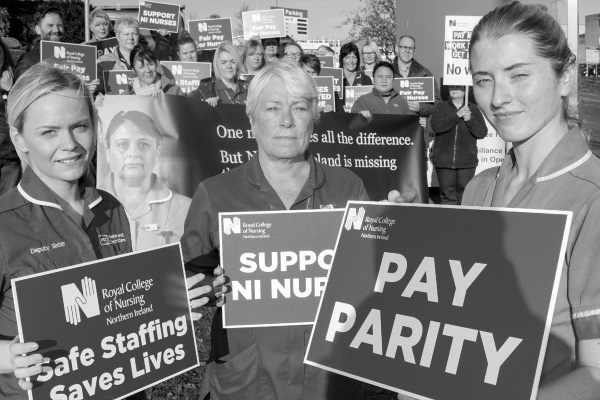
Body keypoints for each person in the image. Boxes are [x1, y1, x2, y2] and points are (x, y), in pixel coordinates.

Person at [396, 2, 600, 399]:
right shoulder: (479, 188)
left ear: (565, 78)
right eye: (484, 80)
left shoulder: (590, 198)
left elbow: (595, 373)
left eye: (519, 75)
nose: (499, 98)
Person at [0, 64, 220, 400]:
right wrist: (9, 358)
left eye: (80, 126)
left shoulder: (111, 208)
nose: (70, 144)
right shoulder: (5, 224)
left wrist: (171, 307)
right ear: (20, 139)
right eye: (48, 132)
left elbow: (120, 306)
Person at [181, 61, 368, 400]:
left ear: (315, 117)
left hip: (325, 377)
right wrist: (210, 288)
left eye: (299, 108)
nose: (286, 121)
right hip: (248, 378)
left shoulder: (348, 189)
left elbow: (370, 276)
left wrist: (399, 227)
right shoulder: (215, 193)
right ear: (251, 120)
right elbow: (190, 273)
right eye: (272, 108)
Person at [98, 110, 191, 251]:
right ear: (107, 151)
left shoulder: (187, 208)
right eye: (123, 145)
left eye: (144, 145)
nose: (134, 153)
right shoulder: (87, 208)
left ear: (157, 152)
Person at [430, 85, 487, 205]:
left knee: (465, 197)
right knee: (447, 198)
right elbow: (436, 126)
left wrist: (470, 119)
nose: (454, 88)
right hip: (444, 162)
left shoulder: (473, 109)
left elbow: (482, 133)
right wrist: (457, 115)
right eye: (452, 86)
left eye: (459, 87)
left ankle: (463, 222)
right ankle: (448, 222)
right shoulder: (441, 106)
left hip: (467, 163)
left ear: (466, 90)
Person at [391, 35, 441, 119]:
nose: (407, 51)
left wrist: (420, 108)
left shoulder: (424, 73)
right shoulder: (388, 72)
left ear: (414, 51)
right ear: (397, 48)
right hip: (393, 124)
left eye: (411, 48)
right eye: (404, 47)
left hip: (415, 127)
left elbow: (438, 105)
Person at [189, 41, 246, 106]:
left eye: (233, 62)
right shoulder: (207, 89)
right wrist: (205, 107)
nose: (229, 66)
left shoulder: (247, 88)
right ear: (217, 65)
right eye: (224, 62)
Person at [15, 7, 64, 81]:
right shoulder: (28, 62)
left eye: (59, 25)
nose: (56, 30)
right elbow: (24, 91)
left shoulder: (71, 58)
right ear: (38, 30)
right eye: (50, 25)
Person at [96, 18, 140, 94]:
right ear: (118, 37)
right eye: (126, 34)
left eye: (134, 34)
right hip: (114, 104)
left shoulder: (149, 60)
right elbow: (97, 92)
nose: (131, 38)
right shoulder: (102, 61)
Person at [0, 40, 19, 197]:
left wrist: (9, 90)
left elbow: (18, 114)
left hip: (10, 156)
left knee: (6, 207)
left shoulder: (13, 79)